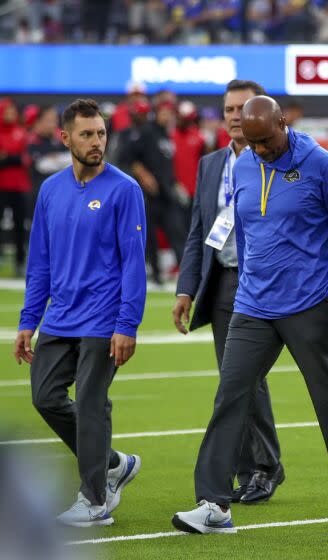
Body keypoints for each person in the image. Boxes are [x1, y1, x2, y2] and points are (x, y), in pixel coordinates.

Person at [171, 95, 328, 535]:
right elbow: (243, 229)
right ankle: (214, 503)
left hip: (309, 302)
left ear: (284, 122)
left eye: (265, 140)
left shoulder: (320, 164)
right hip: (253, 304)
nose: (259, 150)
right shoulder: (243, 164)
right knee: (231, 396)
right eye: (252, 142)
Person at [14, 99, 146, 527]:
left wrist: (127, 324)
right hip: (60, 317)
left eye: (102, 133)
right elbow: (40, 263)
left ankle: (94, 501)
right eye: (87, 134)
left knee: (90, 404)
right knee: (45, 397)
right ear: (65, 137)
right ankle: (111, 463)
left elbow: (133, 262)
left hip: (103, 318)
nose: (96, 142)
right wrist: (28, 321)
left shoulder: (125, 189)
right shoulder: (51, 190)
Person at [173, 79, 284, 505]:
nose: (235, 117)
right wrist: (186, 287)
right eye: (229, 110)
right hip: (224, 280)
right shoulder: (211, 164)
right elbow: (199, 230)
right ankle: (251, 469)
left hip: (270, 281)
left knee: (248, 380)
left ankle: (265, 466)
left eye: (243, 108)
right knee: (235, 381)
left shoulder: (279, 160)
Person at [120, 99, 188, 284]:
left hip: (167, 192)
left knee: (177, 233)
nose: (168, 116)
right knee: (150, 238)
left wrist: (174, 183)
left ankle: (186, 276)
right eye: (164, 112)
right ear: (156, 113)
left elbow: (165, 165)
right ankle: (156, 275)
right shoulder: (147, 132)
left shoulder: (165, 134)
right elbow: (127, 156)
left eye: (170, 113)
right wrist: (143, 175)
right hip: (149, 195)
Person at [0, 98, 30, 278]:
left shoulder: (21, 132)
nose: (10, 114)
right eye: (6, 111)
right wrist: (14, 158)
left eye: (12, 111)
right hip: (1, 186)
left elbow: (26, 159)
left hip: (19, 186)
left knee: (20, 225)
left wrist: (7, 158)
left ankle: (20, 261)